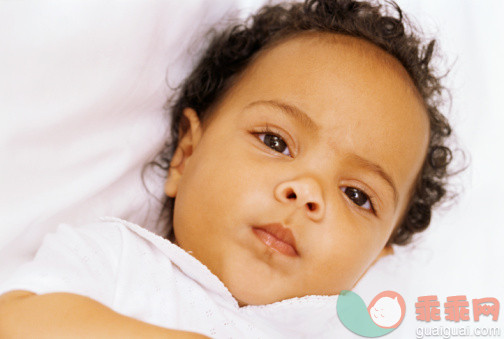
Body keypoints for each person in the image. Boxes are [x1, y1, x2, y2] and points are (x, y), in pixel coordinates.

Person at [0, 0, 455, 337]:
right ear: (185, 155)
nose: (307, 191)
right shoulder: (122, 260)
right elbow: (16, 319)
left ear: (373, 261)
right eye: (275, 142)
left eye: (357, 195)